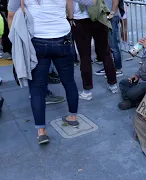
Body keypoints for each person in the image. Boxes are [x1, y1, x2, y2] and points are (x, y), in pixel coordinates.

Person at [8, 0, 95, 144]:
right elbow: (91, 2)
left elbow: (11, 15)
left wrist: (17, 43)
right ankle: (72, 117)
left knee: (37, 89)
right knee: (69, 81)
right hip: (63, 39)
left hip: (37, 41)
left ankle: (41, 131)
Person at [68, 0, 119, 99]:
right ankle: (113, 84)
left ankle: (87, 91)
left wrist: (70, 18)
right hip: (99, 18)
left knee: (85, 56)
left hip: (79, 20)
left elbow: (69, 4)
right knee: (106, 53)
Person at [95, 0, 123, 77]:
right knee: (106, 45)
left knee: (113, 45)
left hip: (110, 18)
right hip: (104, 17)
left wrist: (112, 13)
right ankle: (108, 67)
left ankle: (118, 68)